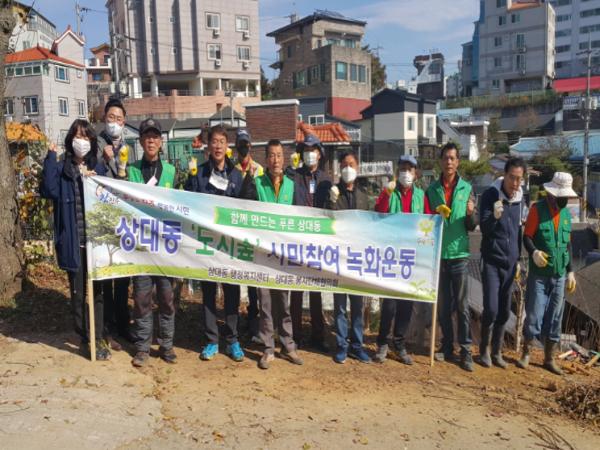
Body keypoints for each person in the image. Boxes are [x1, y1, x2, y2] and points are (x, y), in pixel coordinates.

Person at [40, 119, 110, 360]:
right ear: (71, 140)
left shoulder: (97, 167)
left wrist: (94, 180)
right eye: (78, 136)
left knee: (98, 293)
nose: (82, 141)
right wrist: (50, 157)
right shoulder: (63, 169)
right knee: (78, 294)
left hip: (96, 243)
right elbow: (49, 190)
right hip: (74, 242)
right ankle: (85, 337)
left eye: (86, 137)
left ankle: (98, 337)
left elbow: (109, 197)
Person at [240, 139, 304, 369]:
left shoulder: (292, 185)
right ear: (266, 159)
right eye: (271, 155)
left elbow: (300, 216)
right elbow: (244, 207)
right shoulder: (257, 183)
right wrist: (248, 179)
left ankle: (288, 345)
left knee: (283, 303)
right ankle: (268, 349)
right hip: (263, 254)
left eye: (279, 155)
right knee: (265, 303)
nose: (275, 160)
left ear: (283, 159)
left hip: (284, 255)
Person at [184, 125, 245, 362]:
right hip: (206, 243)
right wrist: (190, 179)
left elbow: (244, 207)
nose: (218, 146)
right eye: (214, 142)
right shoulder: (199, 173)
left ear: (227, 146)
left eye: (221, 141)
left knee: (231, 292)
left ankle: (232, 340)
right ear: (208, 145)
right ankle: (211, 341)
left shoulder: (236, 175)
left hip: (229, 245)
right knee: (208, 293)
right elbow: (187, 202)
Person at [373, 155, 432, 365]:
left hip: (411, 256)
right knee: (389, 304)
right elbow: (378, 213)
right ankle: (382, 342)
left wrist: (437, 220)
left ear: (416, 174)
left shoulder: (421, 196)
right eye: (403, 169)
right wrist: (386, 194)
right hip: (391, 255)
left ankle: (399, 343)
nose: (406, 173)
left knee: (406, 303)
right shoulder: (390, 192)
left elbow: (428, 221)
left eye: (410, 169)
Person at [517, 172, 578, 375]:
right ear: (552, 194)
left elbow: (567, 245)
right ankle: (526, 352)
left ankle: (549, 358)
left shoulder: (567, 215)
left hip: (559, 274)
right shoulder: (537, 210)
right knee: (534, 313)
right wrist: (534, 252)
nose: (564, 199)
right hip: (539, 274)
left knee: (555, 317)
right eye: (562, 196)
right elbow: (527, 237)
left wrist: (570, 271)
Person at [128, 118, 177, 367]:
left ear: (161, 141)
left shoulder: (171, 172)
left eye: (155, 136)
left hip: (165, 245)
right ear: (140, 141)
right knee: (141, 298)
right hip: (141, 245)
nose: (151, 140)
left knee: (167, 298)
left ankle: (167, 345)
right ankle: (142, 347)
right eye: (147, 136)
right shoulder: (132, 171)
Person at [426, 142, 477, 372]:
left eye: (452, 158)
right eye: (445, 158)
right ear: (441, 161)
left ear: (458, 162)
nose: (449, 162)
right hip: (439, 254)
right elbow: (426, 221)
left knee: (463, 305)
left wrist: (471, 213)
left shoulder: (467, 189)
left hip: (459, 254)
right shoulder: (432, 190)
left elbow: (472, 225)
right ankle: (447, 346)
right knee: (444, 306)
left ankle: (466, 350)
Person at [479, 157, 527, 369]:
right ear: (504, 175)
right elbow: (484, 227)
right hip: (492, 260)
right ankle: (484, 350)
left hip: (511, 262)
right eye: (511, 178)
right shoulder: (491, 195)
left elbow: (518, 230)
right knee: (490, 308)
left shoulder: (520, 198)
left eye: (519, 179)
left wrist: (519, 259)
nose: (515, 183)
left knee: (505, 311)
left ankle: (496, 352)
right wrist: (494, 217)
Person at [325, 151, 371, 364]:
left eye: (351, 164)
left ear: (357, 167)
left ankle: (357, 346)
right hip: (339, 257)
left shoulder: (363, 196)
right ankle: (342, 345)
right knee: (340, 306)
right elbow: (327, 221)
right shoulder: (333, 193)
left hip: (358, 257)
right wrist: (331, 202)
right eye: (344, 165)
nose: (347, 169)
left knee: (358, 305)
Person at [290, 134, 332, 352]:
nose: (309, 153)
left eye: (313, 149)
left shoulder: (326, 179)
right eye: (306, 150)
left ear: (320, 153)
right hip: (298, 239)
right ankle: (295, 335)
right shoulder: (294, 176)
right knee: (296, 289)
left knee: (316, 289)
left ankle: (318, 335)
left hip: (318, 241)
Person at [97, 97, 133, 349]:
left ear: (124, 122)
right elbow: (90, 174)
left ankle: (123, 324)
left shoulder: (129, 147)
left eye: (119, 119)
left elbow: (131, 180)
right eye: (111, 117)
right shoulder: (96, 143)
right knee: (105, 276)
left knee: (123, 277)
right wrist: (103, 159)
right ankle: (106, 328)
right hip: (102, 219)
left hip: (124, 220)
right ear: (104, 119)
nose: (114, 122)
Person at [233, 129, 263, 344]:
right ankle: (234, 322)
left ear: (250, 146)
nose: (244, 148)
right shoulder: (232, 170)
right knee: (234, 278)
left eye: (246, 144)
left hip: (254, 232)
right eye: (240, 144)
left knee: (254, 282)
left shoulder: (259, 169)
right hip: (235, 231)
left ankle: (254, 322)